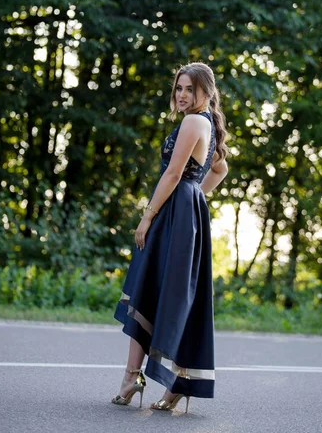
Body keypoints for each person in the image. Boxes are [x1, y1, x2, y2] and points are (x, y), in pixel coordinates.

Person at [111, 62, 228, 413]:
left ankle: (136, 378)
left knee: (152, 289)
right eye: (178, 88)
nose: (181, 95)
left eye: (189, 89)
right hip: (183, 214)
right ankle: (150, 380)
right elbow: (220, 168)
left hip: (173, 216)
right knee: (156, 292)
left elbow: (175, 172)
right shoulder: (205, 122)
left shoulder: (193, 121)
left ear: (206, 92)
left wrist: (148, 216)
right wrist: (197, 197)